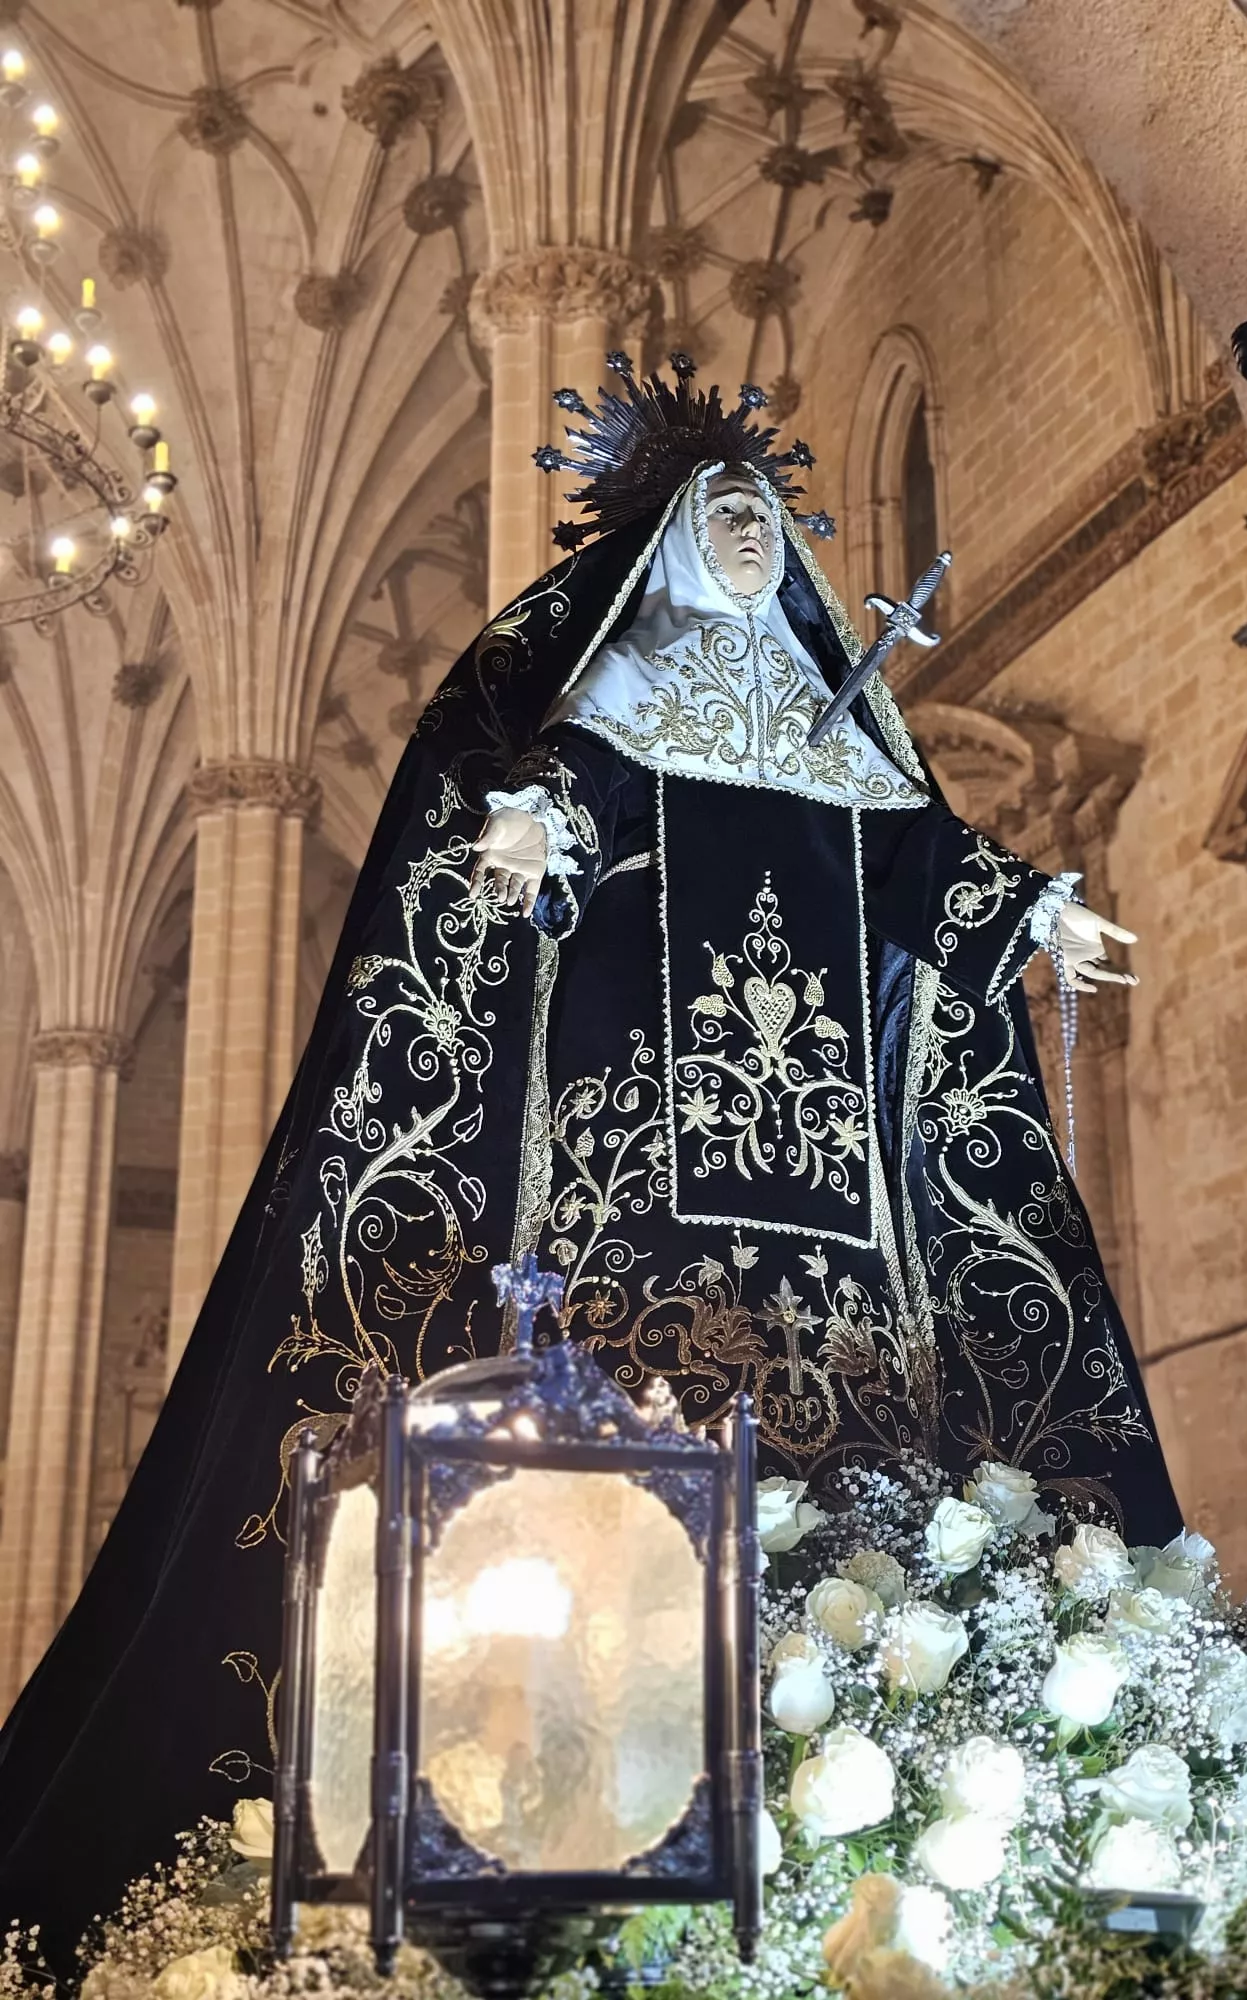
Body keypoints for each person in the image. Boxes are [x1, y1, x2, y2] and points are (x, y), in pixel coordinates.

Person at [0, 356, 1177, 1955]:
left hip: (843, 1222)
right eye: (723, 516)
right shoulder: (617, 699)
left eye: (771, 518)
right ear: (669, 544)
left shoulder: (844, 737)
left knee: (868, 1497)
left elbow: (913, 864)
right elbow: (568, 788)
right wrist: (533, 829)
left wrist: (1026, 908)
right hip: (632, 1201)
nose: (755, 538)